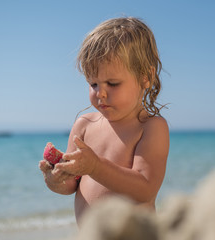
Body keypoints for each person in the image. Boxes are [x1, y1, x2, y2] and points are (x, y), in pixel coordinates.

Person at [39, 17, 169, 223]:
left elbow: (145, 188)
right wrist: (56, 181)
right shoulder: (84, 126)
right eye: (93, 84)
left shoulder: (151, 127)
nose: (101, 93)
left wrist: (96, 167)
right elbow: (72, 186)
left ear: (146, 77)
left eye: (113, 83)